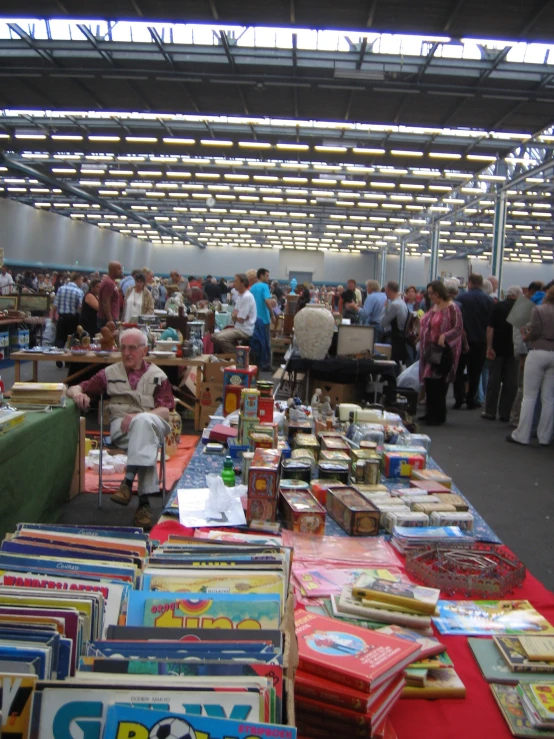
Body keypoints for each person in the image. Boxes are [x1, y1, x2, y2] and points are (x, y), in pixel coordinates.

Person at [67, 329, 174, 529]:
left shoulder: (159, 375)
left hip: (153, 423)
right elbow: (75, 387)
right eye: (123, 348)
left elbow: (166, 411)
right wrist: (77, 395)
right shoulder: (109, 374)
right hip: (122, 429)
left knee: (143, 424)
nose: (126, 353)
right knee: (143, 439)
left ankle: (127, 482)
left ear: (145, 350)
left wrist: (140, 416)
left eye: (132, 348)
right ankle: (144, 503)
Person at [507, 285, 554, 446]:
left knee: (529, 396)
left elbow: (534, 331)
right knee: (548, 398)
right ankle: (545, 436)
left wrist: (526, 337)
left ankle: (522, 434)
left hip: (537, 352)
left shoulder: (539, 310)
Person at [418, 280, 463, 426]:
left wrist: (445, 337)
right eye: (429, 293)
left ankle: (437, 415)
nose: (430, 296)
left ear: (439, 292)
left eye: (432, 293)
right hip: (430, 350)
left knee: (438, 382)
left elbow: (458, 328)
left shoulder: (452, 308)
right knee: (429, 382)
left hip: (442, 351)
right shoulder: (434, 307)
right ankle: (430, 413)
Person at [453, 273, 493, 410]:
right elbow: (490, 324)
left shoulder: (461, 298)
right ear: (481, 284)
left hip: (462, 340)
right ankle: (471, 399)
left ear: (469, 282)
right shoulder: (488, 300)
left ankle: (458, 399)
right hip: (480, 341)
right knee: (475, 373)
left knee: (458, 371)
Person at [481, 285, 522, 422]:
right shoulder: (521, 308)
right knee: (511, 383)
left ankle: (490, 411)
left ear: (507, 294)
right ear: (518, 295)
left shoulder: (497, 306)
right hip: (514, 350)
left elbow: (490, 329)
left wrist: (489, 347)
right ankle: (505, 413)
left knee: (494, 381)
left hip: (497, 349)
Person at [213, 273, 257, 354]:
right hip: (238, 327)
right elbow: (234, 316)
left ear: (242, 283)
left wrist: (236, 315)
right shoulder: (240, 297)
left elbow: (240, 318)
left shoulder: (247, 297)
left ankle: (238, 356)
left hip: (244, 331)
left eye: (236, 281)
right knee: (213, 336)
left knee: (219, 338)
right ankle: (235, 354)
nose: (233, 283)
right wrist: (236, 315)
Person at [52, 272, 84, 348]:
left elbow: (55, 305)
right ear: (77, 279)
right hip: (73, 319)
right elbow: (80, 307)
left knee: (60, 339)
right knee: (73, 340)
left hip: (62, 318)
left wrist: (53, 317)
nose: (82, 283)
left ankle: (58, 358)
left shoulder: (61, 289)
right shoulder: (79, 291)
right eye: (81, 280)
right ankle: (69, 359)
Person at [380, 280, 409, 365]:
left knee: (391, 365)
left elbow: (382, 322)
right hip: (398, 337)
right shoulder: (402, 303)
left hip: (393, 338)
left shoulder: (394, 305)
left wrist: (384, 308)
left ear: (388, 290)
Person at [249, 268, 272, 361]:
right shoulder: (265, 286)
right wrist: (272, 314)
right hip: (264, 320)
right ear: (261, 275)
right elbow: (267, 300)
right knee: (266, 342)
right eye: (267, 276)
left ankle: (256, 361)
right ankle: (266, 363)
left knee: (256, 341)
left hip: (254, 319)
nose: (268, 278)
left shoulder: (252, 287)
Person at [98, 261, 123, 329]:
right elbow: (105, 302)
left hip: (110, 318)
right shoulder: (109, 283)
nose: (121, 271)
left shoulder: (111, 282)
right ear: (112, 270)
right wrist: (110, 320)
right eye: (119, 269)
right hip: (107, 320)